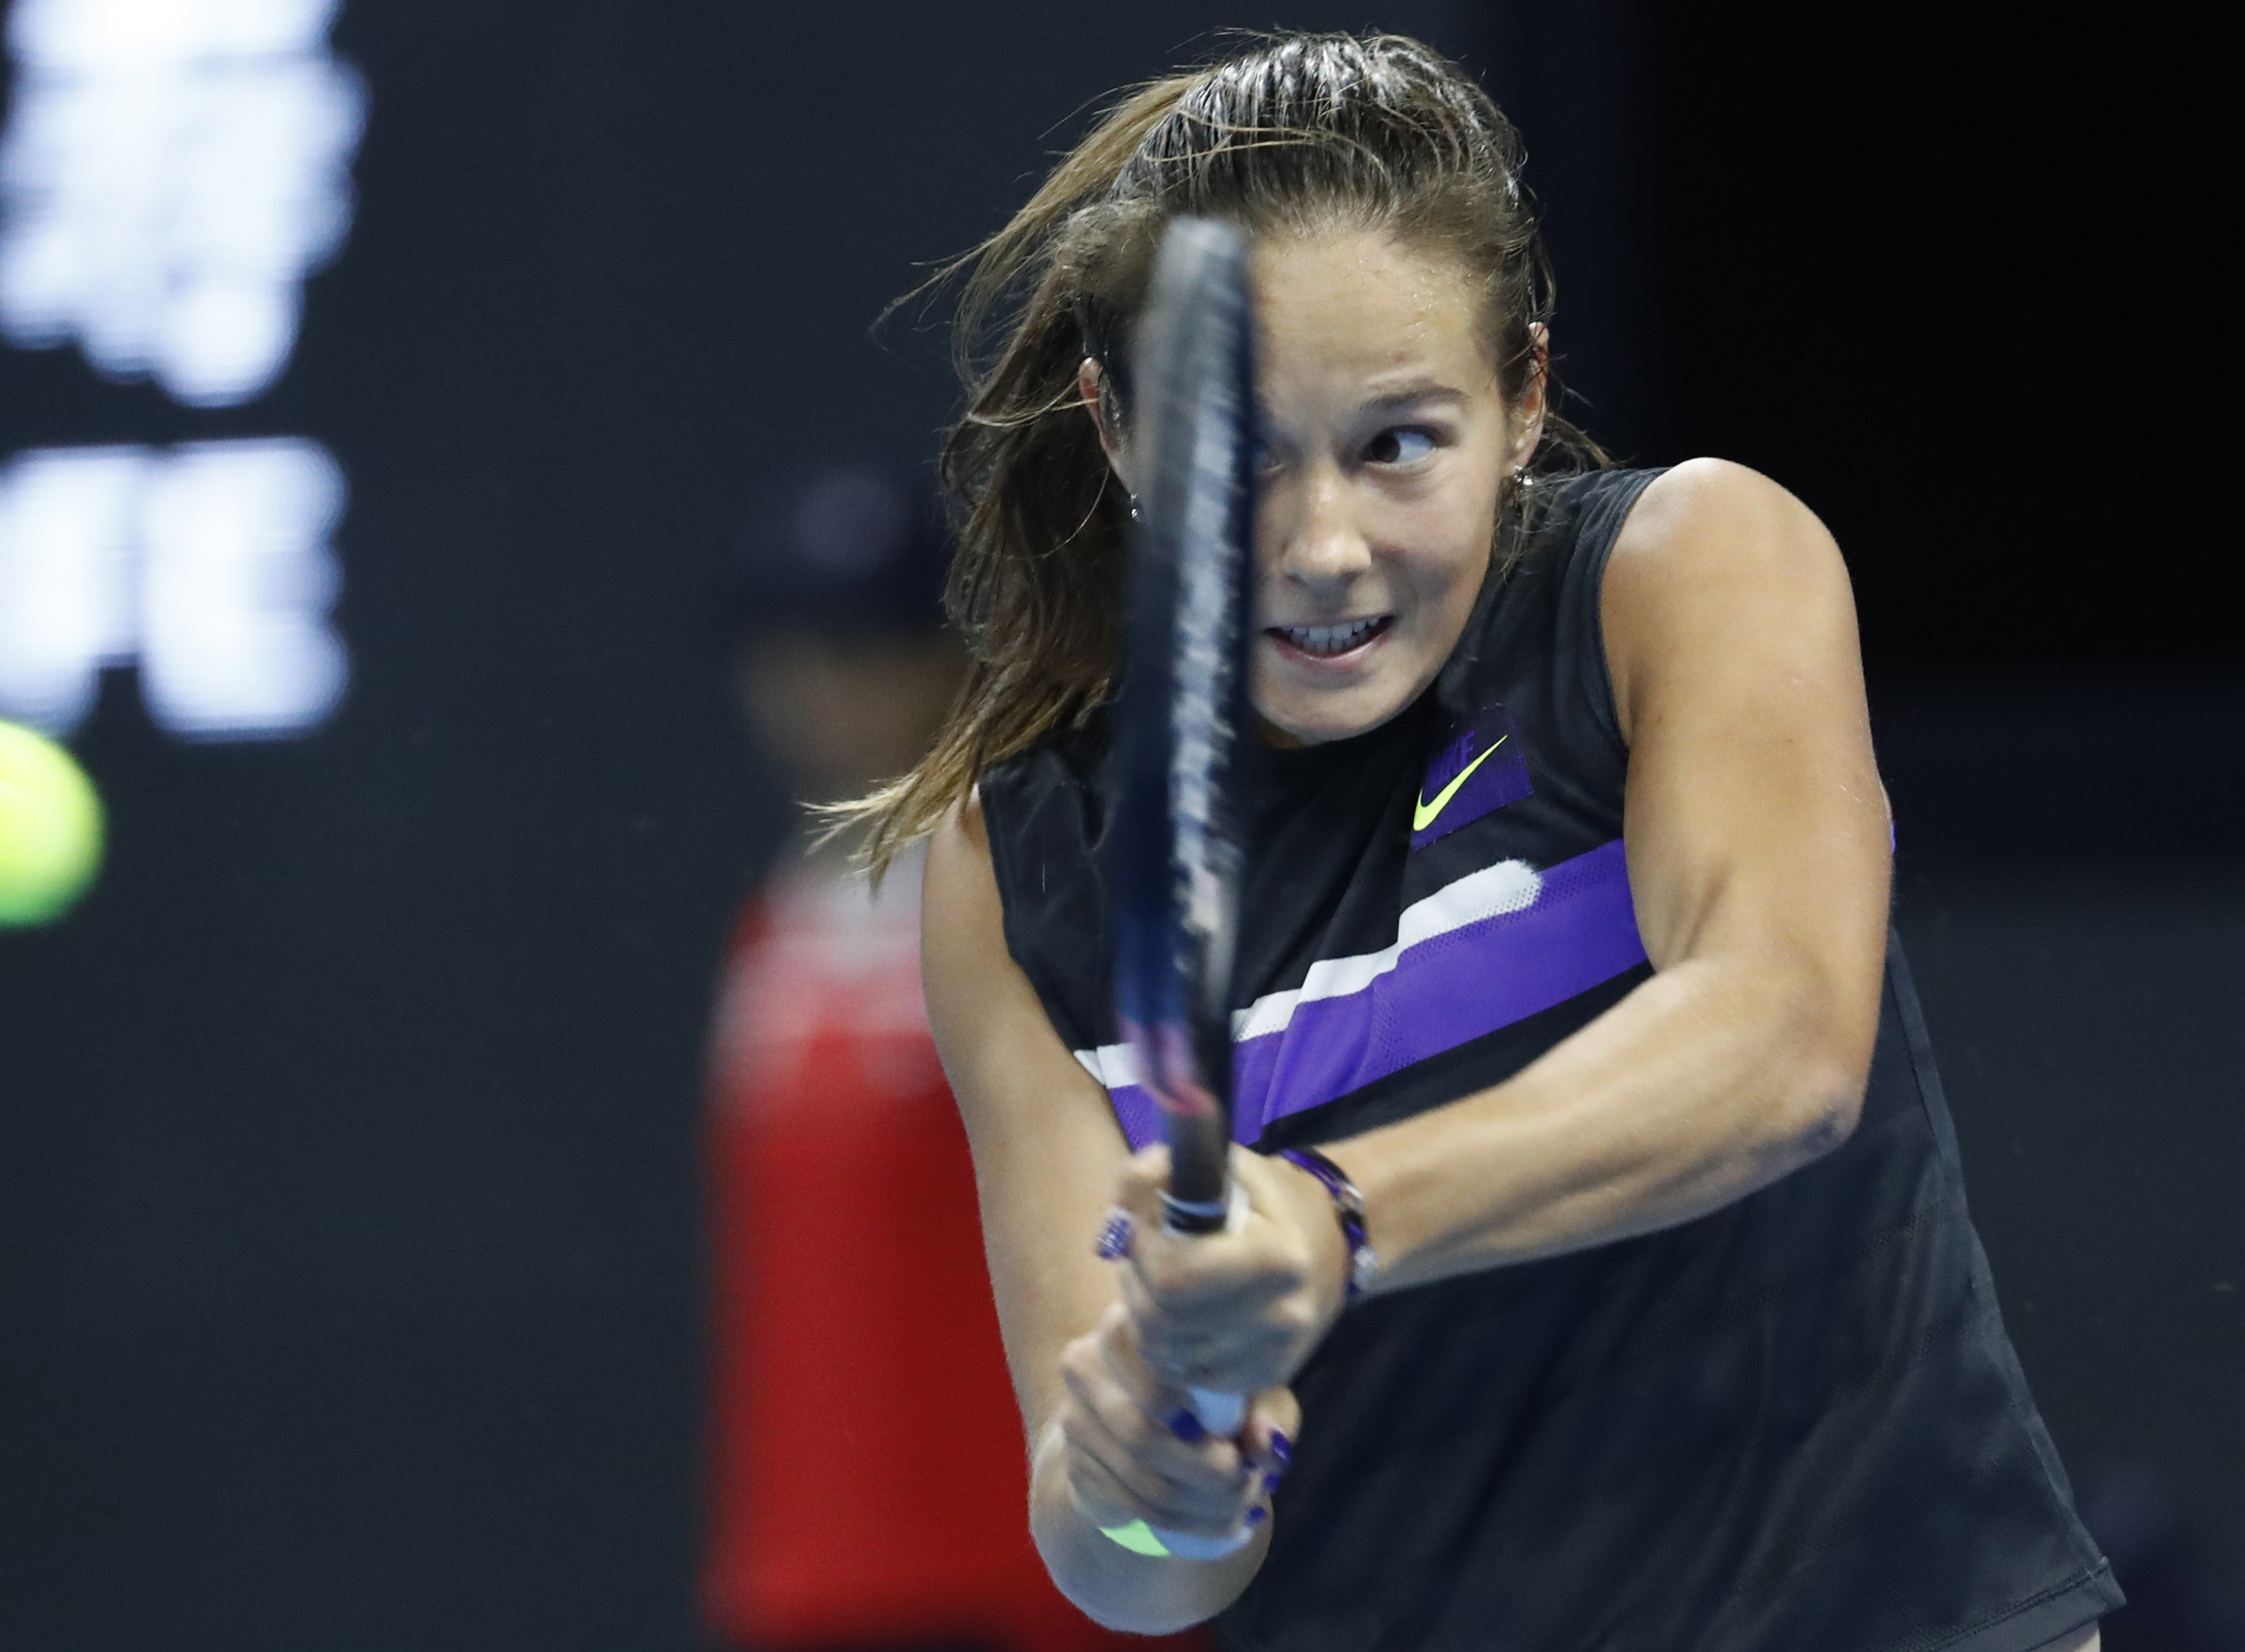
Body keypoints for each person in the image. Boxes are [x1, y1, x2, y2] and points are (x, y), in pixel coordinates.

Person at [839, 33, 2124, 1652]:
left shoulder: (1687, 569)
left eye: (1396, 444)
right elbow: (1134, 1569)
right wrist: (1154, 1471)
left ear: (1519, 397)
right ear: (1117, 428)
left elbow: (1784, 1041)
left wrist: (1331, 1219)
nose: (1322, 545)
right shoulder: (1015, 864)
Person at [703, 464, 1207, 1652]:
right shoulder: (775, 922)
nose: (822, 688)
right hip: (813, 1580)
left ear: (962, 655)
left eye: (865, 647)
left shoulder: (1046, 891)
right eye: (792, 649)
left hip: (1030, 1581)